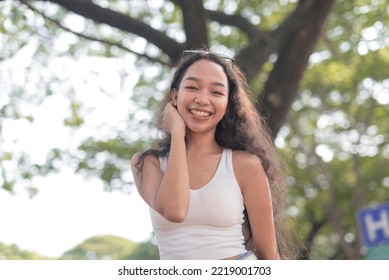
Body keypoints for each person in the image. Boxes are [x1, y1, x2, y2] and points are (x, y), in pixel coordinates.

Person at [131, 49, 296, 260]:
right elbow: (176, 210)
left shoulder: (245, 165)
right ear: (175, 96)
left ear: (227, 104)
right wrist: (178, 134)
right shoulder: (147, 163)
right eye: (192, 87)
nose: (202, 99)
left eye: (216, 92)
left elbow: (269, 255)